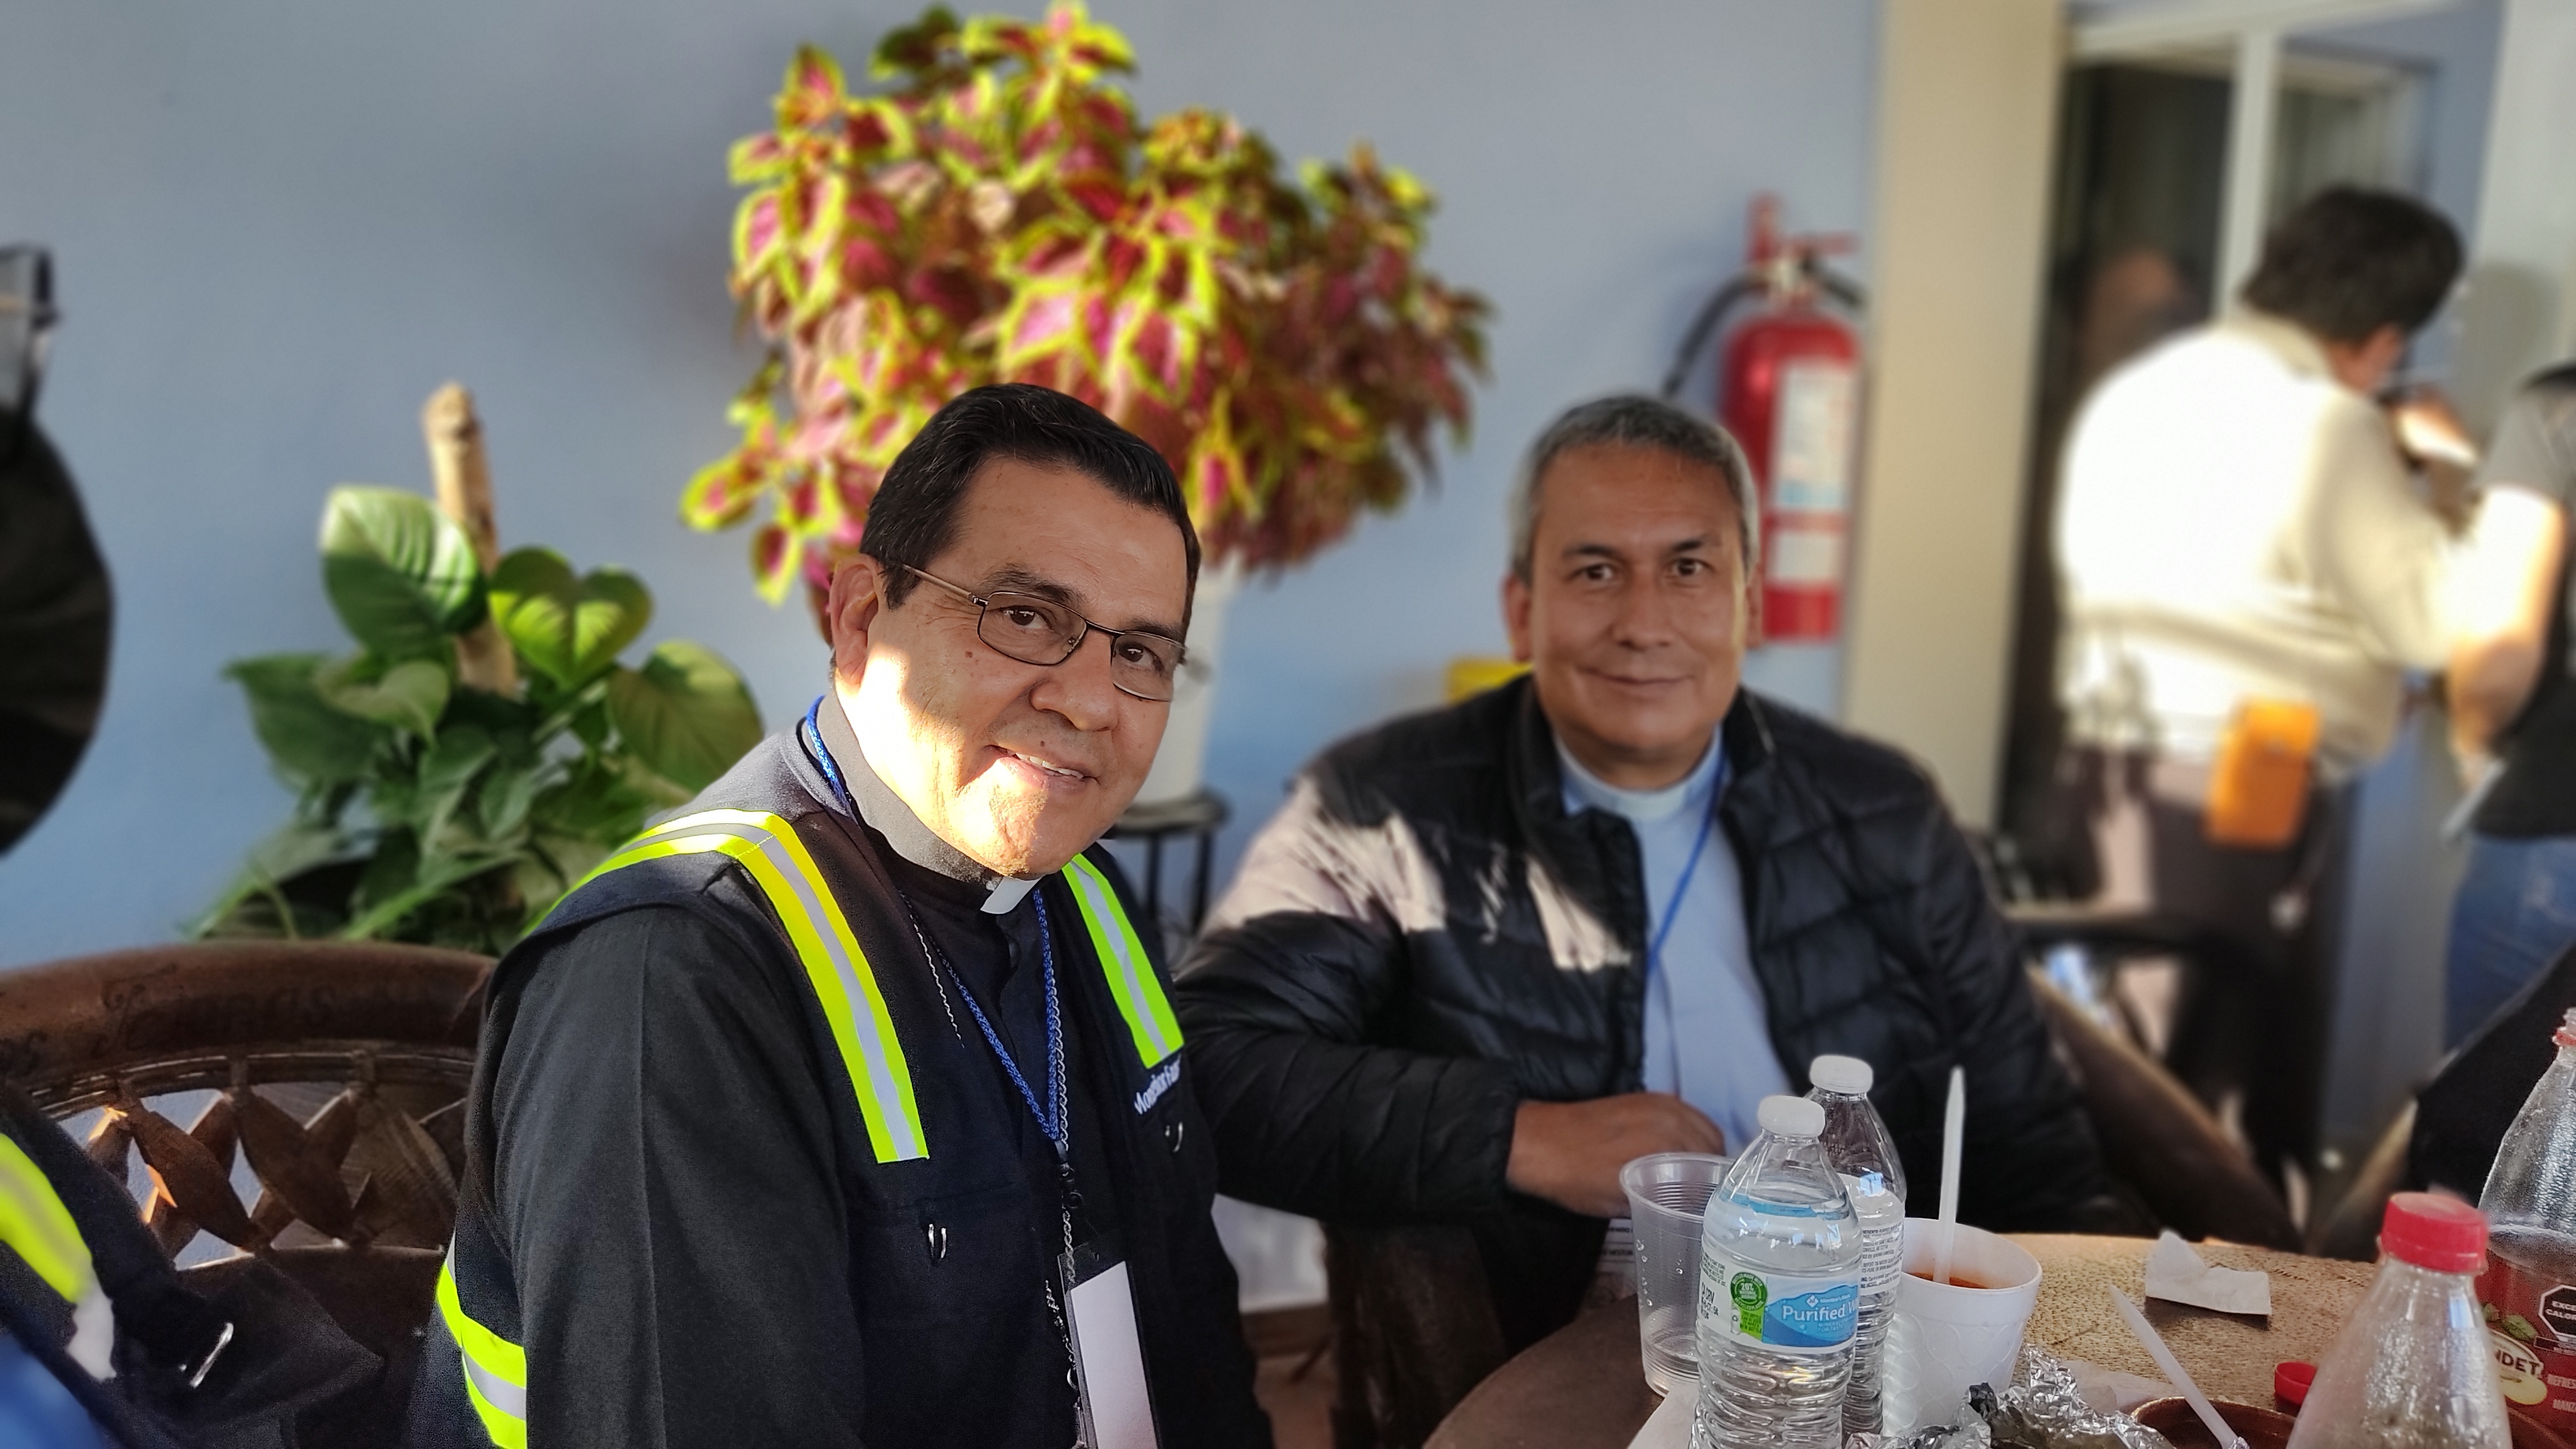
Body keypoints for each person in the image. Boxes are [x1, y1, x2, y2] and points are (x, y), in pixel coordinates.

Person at [1175, 394, 2122, 1441]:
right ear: (1520, 610)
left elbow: (2036, 1152)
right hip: (1556, 1365)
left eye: (1688, 567)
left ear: (1749, 606)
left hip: (1872, 1373)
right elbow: (1209, 1067)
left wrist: (2095, 1381)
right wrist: (1520, 1139)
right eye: (1593, 571)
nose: (1643, 622)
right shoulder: (1384, 810)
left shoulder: (1883, 810)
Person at [408, 384, 1271, 1448]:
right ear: (863, 618)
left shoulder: (1085, 899)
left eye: (1139, 653)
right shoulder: (671, 980)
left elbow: (1191, 1342)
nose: (1090, 699)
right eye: (1025, 616)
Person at [2052, 186, 2469, 1182]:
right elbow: (2440, 618)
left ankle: (2100, 1280)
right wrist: (2454, 474)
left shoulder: (2142, 389)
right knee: (2219, 1091)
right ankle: (2201, 1314)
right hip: (2239, 783)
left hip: (2113, 764)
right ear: (2381, 338)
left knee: (2133, 1059)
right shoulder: (2326, 423)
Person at [2444, 360, 2576, 1045]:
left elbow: (2499, 657)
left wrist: (2470, 745)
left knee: (2494, 1125)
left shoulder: (2557, 410)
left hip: (2555, 831)